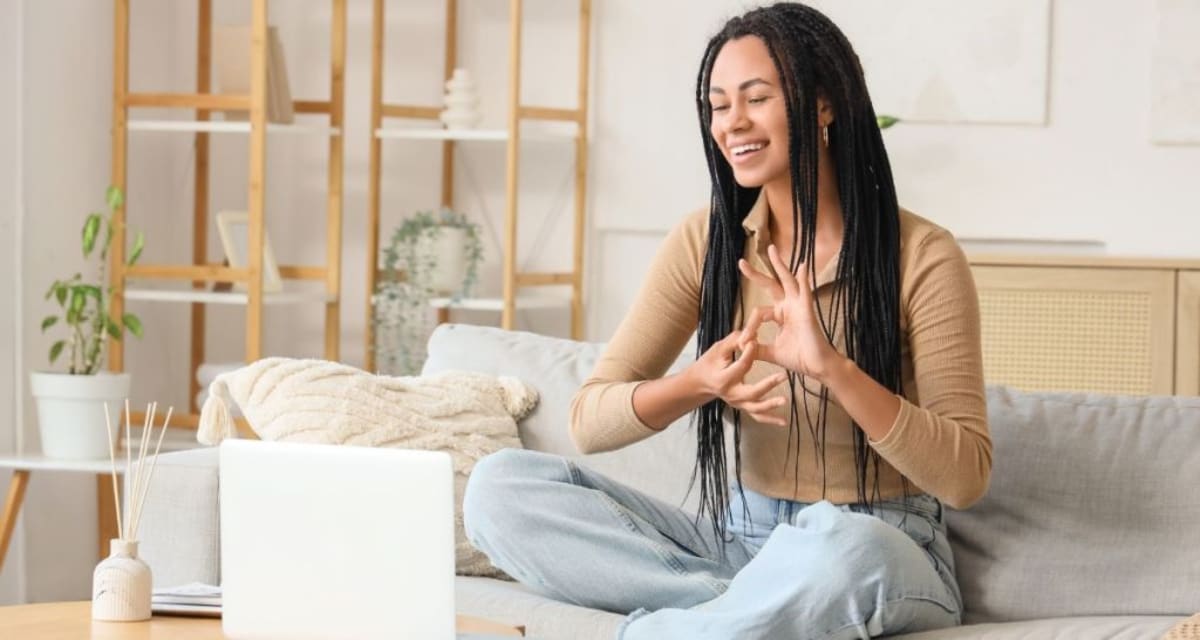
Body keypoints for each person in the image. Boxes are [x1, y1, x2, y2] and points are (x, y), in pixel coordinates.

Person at [463, 3, 991, 638]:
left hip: (882, 539)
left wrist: (834, 368)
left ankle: (707, 622)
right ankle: (752, 613)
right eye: (717, 105)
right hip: (741, 541)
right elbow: (589, 421)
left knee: (845, 551)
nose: (731, 122)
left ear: (823, 104)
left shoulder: (922, 255)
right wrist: (697, 384)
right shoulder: (706, 243)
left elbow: (964, 477)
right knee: (498, 489)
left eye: (756, 98)